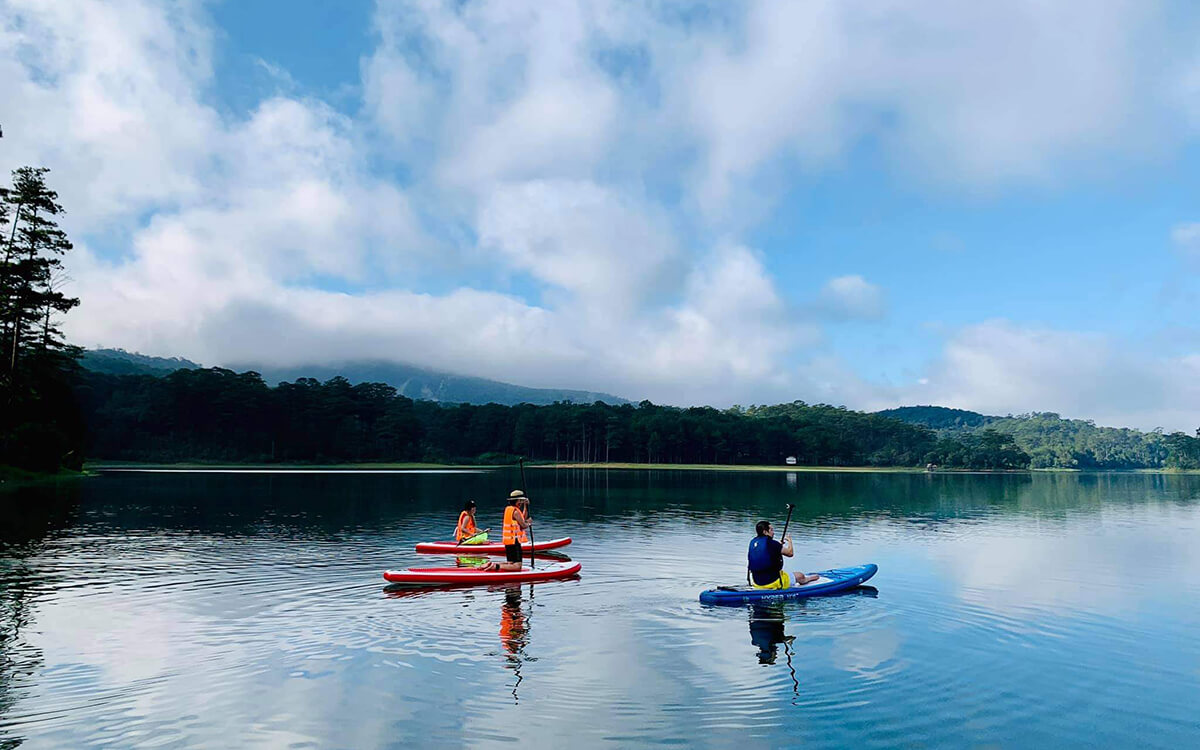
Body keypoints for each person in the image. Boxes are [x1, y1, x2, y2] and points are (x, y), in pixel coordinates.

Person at [747, 520, 819, 589]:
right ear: (765, 532)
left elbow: (766, 552)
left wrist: (778, 546)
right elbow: (790, 553)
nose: (773, 532)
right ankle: (810, 578)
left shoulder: (753, 542)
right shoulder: (773, 544)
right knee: (800, 576)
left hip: (756, 582)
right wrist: (790, 541)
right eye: (771, 530)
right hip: (773, 582)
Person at [483, 490, 531, 572]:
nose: (521, 502)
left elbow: (522, 518)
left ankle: (490, 564)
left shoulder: (509, 509)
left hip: (508, 542)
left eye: (521, 501)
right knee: (517, 566)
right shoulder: (515, 512)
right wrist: (529, 523)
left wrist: (526, 507)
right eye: (520, 501)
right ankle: (495, 566)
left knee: (511, 564)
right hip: (514, 542)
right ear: (515, 501)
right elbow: (523, 525)